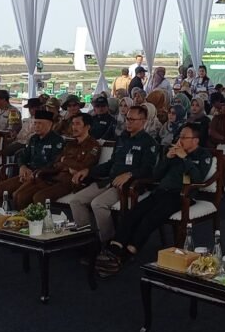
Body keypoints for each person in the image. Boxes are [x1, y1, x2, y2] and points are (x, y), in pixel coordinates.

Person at [97, 124, 213, 276]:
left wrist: (185, 158)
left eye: (184, 137)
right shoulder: (173, 152)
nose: (180, 140)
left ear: (195, 140)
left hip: (180, 196)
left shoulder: (203, 155)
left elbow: (198, 179)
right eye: (180, 137)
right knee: (134, 212)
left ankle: (128, 252)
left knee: (150, 218)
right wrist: (167, 158)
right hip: (160, 192)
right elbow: (156, 175)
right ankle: (115, 248)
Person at [64, 105, 158, 245]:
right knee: (76, 201)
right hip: (109, 180)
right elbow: (111, 163)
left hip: (128, 185)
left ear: (143, 121)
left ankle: (106, 243)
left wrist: (129, 174)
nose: (128, 122)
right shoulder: (121, 139)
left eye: (132, 119)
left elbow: (148, 170)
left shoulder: (148, 142)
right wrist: (88, 171)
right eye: (127, 118)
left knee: (98, 204)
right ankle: (86, 240)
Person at [18, 113, 101, 204]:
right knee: (22, 195)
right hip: (55, 176)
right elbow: (57, 161)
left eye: (77, 124)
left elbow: (84, 166)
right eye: (73, 124)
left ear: (87, 127)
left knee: (39, 197)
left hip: (70, 182)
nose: (74, 127)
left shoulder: (93, 146)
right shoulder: (70, 144)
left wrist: (65, 161)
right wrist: (68, 166)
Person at [0, 110, 64, 209]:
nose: (36, 126)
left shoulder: (57, 141)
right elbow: (22, 156)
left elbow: (54, 163)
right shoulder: (34, 138)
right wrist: (22, 167)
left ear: (50, 124)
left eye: (40, 123)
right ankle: (7, 214)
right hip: (27, 174)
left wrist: (34, 173)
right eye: (35, 123)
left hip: (44, 177)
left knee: (19, 196)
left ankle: (22, 218)